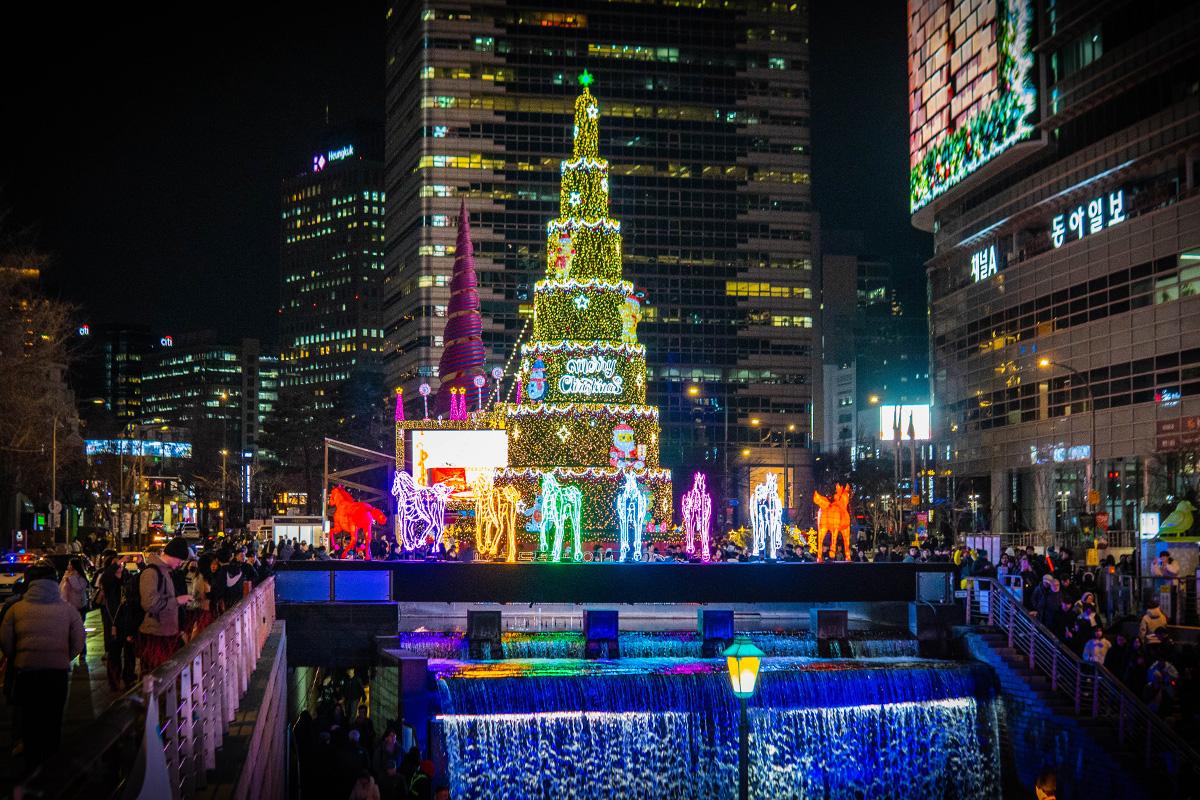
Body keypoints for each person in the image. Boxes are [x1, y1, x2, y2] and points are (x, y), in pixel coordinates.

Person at [0, 559, 85, 770]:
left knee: (30, 720)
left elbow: (6, 642)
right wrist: (64, 657)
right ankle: (51, 765)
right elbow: (78, 641)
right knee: (53, 720)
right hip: (56, 673)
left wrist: (18, 656)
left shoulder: (16, 609)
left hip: (27, 672)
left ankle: (32, 767)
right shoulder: (68, 610)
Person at [138, 537, 194, 675]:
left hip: (166, 632)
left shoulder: (165, 572)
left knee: (166, 676)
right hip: (155, 634)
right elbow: (149, 604)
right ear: (173, 555)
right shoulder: (152, 572)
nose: (180, 564)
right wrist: (177, 601)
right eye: (180, 560)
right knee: (156, 676)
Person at [98, 555, 130, 690]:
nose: (119, 566)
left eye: (120, 564)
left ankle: (128, 678)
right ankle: (114, 680)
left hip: (126, 619)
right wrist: (119, 561)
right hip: (113, 621)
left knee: (129, 652)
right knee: (114, 652)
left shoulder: (127, 579)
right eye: (115, 564)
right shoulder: (108, 581)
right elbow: (106, 576)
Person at [59, 557, 90, 666]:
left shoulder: (80, 577)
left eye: (69, 564)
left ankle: (82, 652)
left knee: (78, 631)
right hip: (68, 606)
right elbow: (61, 589)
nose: (68, 566)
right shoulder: (66, 576)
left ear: (74, 566)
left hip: (79, 607)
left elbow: (78, 588)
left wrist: (71, 578)